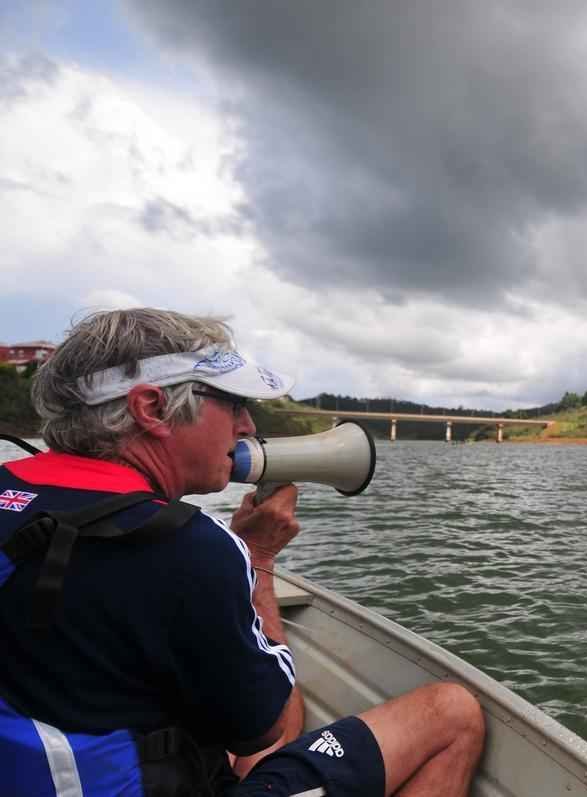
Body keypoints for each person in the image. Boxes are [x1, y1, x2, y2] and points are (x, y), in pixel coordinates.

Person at [0, 309, 484, 796]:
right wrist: (258, 558)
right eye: (232, 403)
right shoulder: (182, 547)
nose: (247, 424)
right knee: (451, 713)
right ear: (151, 408)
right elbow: (269, 726)